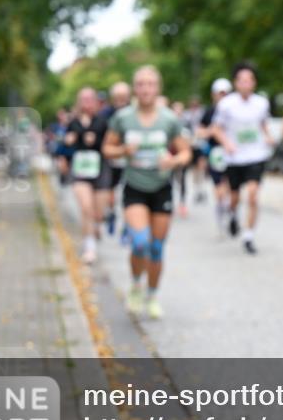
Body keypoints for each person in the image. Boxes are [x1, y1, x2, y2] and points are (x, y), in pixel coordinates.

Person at [102, 66, 191, 319]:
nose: (145, 89)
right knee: (140, 243)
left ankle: (152, 296)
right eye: (140, 84)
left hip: (161, 188)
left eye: (150, 84)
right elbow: (107, 149)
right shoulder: (123, 118)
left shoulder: (169, 119)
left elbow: (186, 152)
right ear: (134, 89)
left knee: (157, 248)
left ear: (158, 88)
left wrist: (173, 161)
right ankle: (135, 286)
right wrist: (123, 151)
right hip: (135, 188)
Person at [213, 62, 274, 254]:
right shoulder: (226, 104)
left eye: (250, 80)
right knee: (234, 197)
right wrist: (227, 144)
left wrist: (268, 136)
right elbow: (216, 129)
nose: (246, 84)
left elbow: (263, 124)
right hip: (235, 158)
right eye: (242, 80)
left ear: (254, 83)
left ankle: (248, 236)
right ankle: (232, 215)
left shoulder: (261, 103)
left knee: (253, 195)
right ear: (236, 83)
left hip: (256, 155)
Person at [65, 88, 112, 264]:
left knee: (98, 214)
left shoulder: (103, 121)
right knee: (86, 209)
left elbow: (110, 144)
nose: (87, 102)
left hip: (100, 168)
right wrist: (68, 141)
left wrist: (98, 141)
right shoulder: (73, 122)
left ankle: (96, 227)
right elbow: (65, 145)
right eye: (83, 99)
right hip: (80, 170)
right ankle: (89, 248)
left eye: (90, 99)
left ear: (95, 101)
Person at [196, 78, 233, 233]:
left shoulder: (235, 110)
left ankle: (230, 211)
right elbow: (199, 131)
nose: (223, 97)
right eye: (220, 94)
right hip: (216, 153)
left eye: (225, 93)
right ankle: (221, 211)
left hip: (233, 153)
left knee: (231, 186)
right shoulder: (209, 112)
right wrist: (211, 131)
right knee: (219, 187)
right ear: (214, 95)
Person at [97, 81, 132, 236]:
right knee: (111, 190)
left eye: (124, 96)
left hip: (130, 159)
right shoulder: (106, 114)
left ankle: (127, 224)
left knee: (128, 192)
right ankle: (111, 213)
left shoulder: (134, 112)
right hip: (111, 158)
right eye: (118, 96)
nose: (121, 100)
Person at [171, 100, 194, 218]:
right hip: (171, 155)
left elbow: (191, 138)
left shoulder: (186, 123)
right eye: (175, 109)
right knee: (169, 180)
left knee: (182, 179)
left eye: (179, 109)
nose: (177, 111)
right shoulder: (168, 122)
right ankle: (170, 202)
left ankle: (182, 203)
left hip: (182, 155)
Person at [183, 96, 209, 204]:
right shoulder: (187, 115)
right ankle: (197, 189)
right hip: (191, 144)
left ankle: (201, 188)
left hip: (201, 144)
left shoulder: (202, 114)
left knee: (201, 166)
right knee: (194, 169)